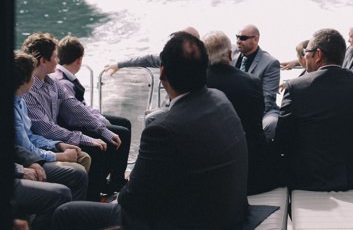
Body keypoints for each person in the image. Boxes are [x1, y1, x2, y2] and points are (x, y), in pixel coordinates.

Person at [52, 31, 250, 229]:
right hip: (228, 215)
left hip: (185, 221)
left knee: (66, 213)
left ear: (162, 73)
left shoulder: (162, 130)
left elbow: (131, 201)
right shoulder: (220, 100)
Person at [275, 28, 353, 191]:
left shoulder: (296, 88)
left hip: (311, 180)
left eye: (306, 52)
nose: (305, 57)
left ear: (318, 55)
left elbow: (283, 139)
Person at [20, 33, 121, 201]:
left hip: (54, 139)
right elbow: (46, 129)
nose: (58, 60)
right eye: (54, 56)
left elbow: (73, 106)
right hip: (43, 143)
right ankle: (88, 203)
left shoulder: (53, 82)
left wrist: (102, 130)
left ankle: (93, 199)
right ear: (43, 61)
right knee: (95, 151)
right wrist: (86, 139)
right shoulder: (28, 92)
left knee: (102, 144)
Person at [203, 30, 283, 195]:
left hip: (207, 170)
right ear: (230, 55)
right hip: (248, 172)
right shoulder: (251, 82)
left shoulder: (195, 82)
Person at [54, 36, 131, 193]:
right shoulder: (63, 83)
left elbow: (82, 107)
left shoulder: (66, 78)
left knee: (124, 123)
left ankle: (116, 177)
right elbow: (75, 115)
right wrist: (101, 123)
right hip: (72, 126)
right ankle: (111, 181)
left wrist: (99, 117)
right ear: (79, 60)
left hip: (79, 119)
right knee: (122, 132)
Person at [103, 26, 200, 126]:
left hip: (188, 109)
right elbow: (147, 59)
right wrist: (119, 65)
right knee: (149, 114)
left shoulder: (200, 65)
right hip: (174, 106)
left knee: (151, 118)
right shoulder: (171, 57)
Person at [233, 24, 280, 141]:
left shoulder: (270, 63)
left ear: (256, 39)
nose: (238, 41)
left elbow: (268, 99)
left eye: (243, 38)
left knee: (271, 123)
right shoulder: (231, 54)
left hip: (258, 110)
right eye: (237, 37)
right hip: (232, 107)